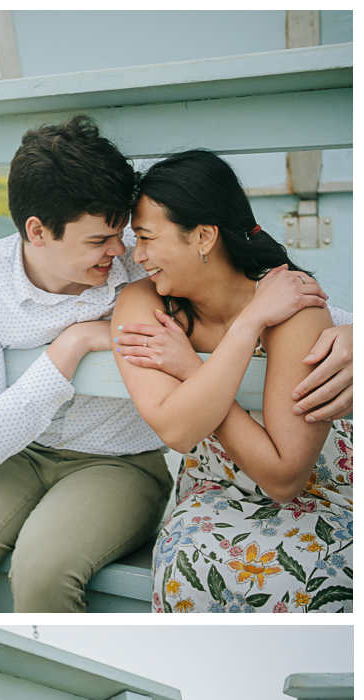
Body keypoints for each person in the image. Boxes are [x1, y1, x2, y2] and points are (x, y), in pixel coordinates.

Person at [0, 116, 353, 614]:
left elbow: (260, 294)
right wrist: (70, 345)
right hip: (17, 454)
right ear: (37, 232)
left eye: (125, 233)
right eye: (101, 241)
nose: (122, 252)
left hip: (117, 461)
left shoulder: (146, 267)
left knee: (42, 573)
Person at [110, 150, 353, 613]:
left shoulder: (292, 303)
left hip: (325, 491)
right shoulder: (145, 302)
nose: (135, 256)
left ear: (202, 236)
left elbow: (286, 478)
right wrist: (249, 327)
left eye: (145, 237)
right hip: (213, 490)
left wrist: (199, 366)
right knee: (190, 567)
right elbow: (178, 430)